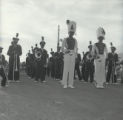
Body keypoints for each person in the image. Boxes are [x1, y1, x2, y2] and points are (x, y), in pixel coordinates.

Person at [61, 20, 78, 88]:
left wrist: (75, 56)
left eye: (72, 32)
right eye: (70, 32)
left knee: (72, 69)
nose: (71, 33)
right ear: (68, 32)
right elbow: (62, 48)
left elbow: (76, 48)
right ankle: (64, 83)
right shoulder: (65, 39)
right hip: (67, 54)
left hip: (73, 54)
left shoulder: (75, 40)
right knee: (66, 69)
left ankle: (70, 83)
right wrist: (66, 51)